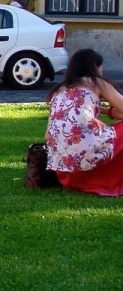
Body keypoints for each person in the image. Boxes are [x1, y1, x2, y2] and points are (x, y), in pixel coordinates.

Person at [45, 48, 123, 196]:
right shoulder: (97, 83)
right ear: (96, 66)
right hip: (88, 161)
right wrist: (111, 112)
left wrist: (107, 111)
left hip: (65, 171)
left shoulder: (60, 89)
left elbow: (47, 135)